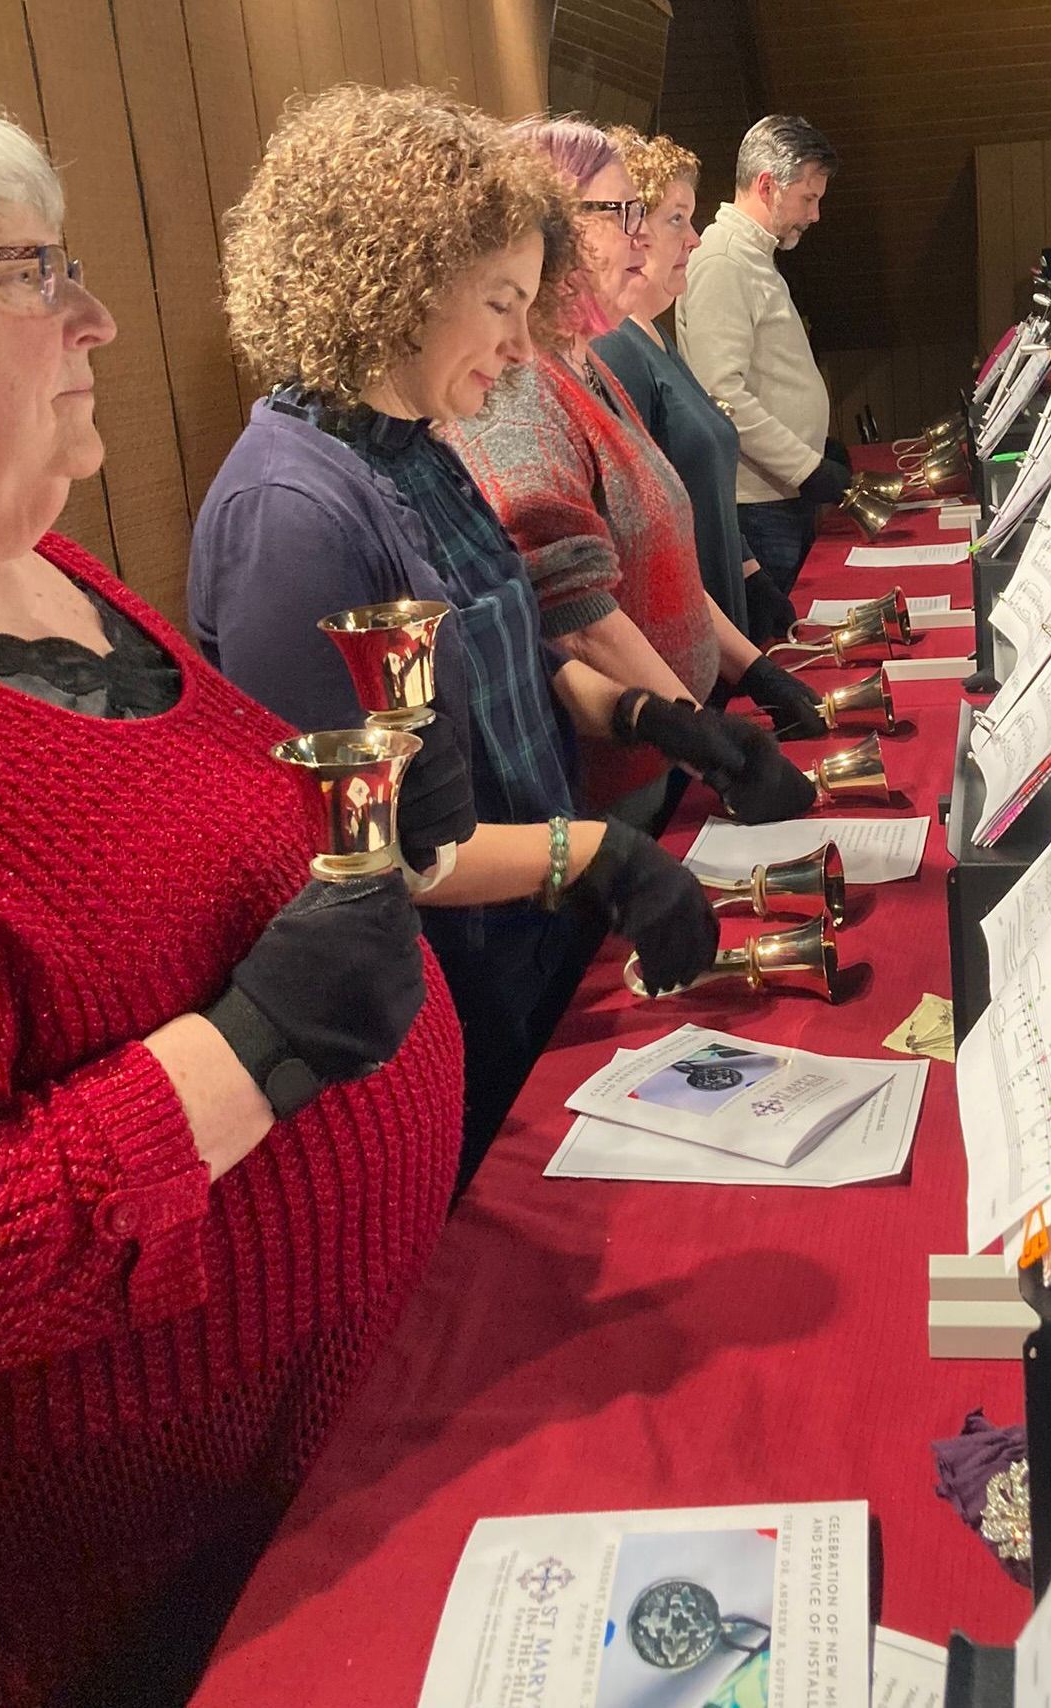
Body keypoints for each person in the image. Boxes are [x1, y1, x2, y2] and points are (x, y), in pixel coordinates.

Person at [0, 106, 463, 1705]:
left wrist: (383, 826)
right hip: (177, 1607)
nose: (97, 318)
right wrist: (249, 1054)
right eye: (36, 272)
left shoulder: (65, 577)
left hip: (360, 1433)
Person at [191, 88, 797, 1194]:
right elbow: (378, 859)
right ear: (399, 285)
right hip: (449, 1000)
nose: (525, 346)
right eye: (502, 303)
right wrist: (602, 853)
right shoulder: (294, 515)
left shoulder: (415, 451)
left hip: (528, 939)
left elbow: (510, 659)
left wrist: (658, 718)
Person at [447, 119, 820, 815]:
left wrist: (752, 670)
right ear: (553, 226)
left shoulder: (589, 366)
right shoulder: (525, 392)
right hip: (618, 780)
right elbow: (580, 617)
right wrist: (713, 746)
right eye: (623, 214)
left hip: (667, 753)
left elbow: (659, 556)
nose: (643, 236)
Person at [594, 126, 821, 673]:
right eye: (678, 219)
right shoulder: (617, 348)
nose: (694, 239)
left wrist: (747, 572)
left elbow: (688, 484)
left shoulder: (651, 334)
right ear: (632, 231)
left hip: (713, 624)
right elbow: (646, 526)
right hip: (677, 651)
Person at [676, 114, 845, 598]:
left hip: (777, 494)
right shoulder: (725, 260)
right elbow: (722, 393)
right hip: (759, 504)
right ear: (768, 185)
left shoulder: (752, 255)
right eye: (808, 199)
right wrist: (805, 468)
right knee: (784, 645)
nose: (814, 216)